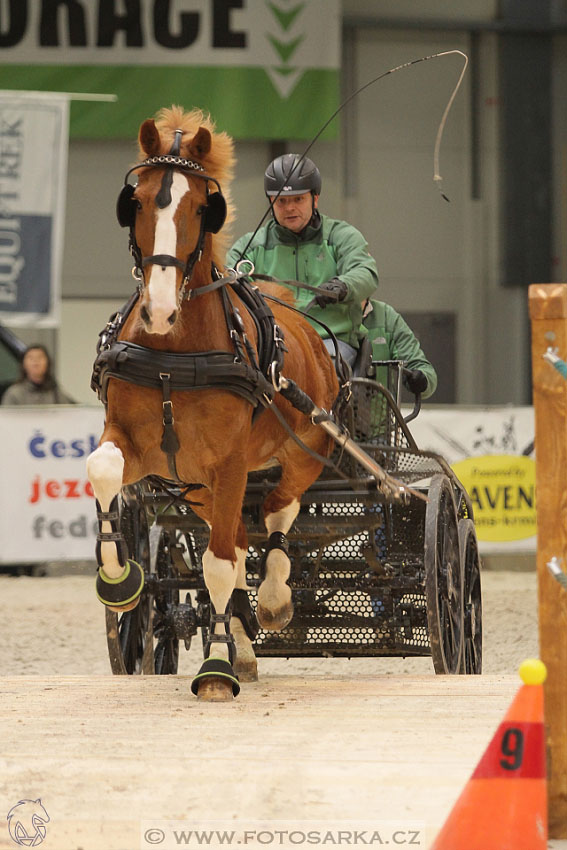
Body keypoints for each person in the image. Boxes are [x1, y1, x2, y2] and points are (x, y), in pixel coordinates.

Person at [226, 153, 379, 364]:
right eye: (281, 201)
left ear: (314, 199)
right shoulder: (249, 246)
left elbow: (366, 272)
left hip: (330, 340)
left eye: (298, 199)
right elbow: (226, 278)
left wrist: (343, 286)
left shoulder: (342, 236)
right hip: (272, 344)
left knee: (320, 372)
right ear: (271, 202)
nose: (289, 208)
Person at [362, 298, 437, 399]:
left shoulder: (385, 316)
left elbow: (419, 365)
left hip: (378, 411)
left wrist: (422, 379)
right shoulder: (333, 317)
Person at [2, 344, 74, 405]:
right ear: (23, 364)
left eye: (40, 357)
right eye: (31, 358)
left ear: (48, 363)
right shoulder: (14, 393)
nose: (36, 361)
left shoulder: (55, 392)